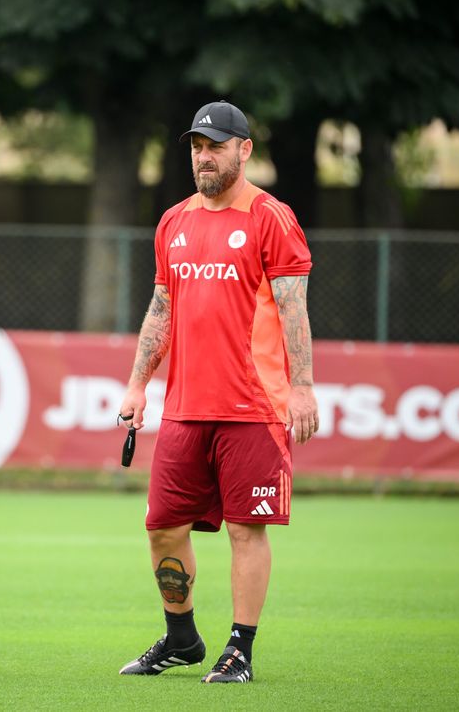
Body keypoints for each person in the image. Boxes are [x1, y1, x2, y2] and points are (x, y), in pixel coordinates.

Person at [117, 101, 318, 684]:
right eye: (196, 148)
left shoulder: (270, 217)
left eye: (215, 146)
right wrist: (137, 382)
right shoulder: (173, 222)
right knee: (161, 525)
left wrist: (302, 388)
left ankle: (241, 650)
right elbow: (161, 309)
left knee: (245, 529)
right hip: (185, 409)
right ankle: (182, 637)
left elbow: (293, 309)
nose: (204, 157)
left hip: (252, 407)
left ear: (244, 150)